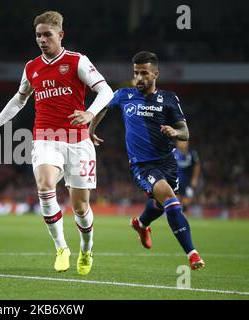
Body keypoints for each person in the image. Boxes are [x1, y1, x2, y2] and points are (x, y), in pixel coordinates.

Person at [0, 11, 113, 275]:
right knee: (45, 185)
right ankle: (61, 247)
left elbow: (106, 90)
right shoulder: (31, 68)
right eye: (38, 35)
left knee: (81, 206)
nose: (41, 39)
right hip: (45, 138)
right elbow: (19, 100)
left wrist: (89, 113)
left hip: (78, 141)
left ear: (60, 35)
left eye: (47, 34)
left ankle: (86, 249)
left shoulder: (77, 62)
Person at [89, 51, 205, 270]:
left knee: (161, 205)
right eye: (136, 73)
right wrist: (91, 129)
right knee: (170, 199)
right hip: (142, 165)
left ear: (155, 74)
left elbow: (185, 133)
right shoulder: (124, 95)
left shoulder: (169, 98)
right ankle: (192, 253)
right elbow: (103, 105)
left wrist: (174, 132)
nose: (139, 78)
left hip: (168, 163)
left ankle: (141, 224)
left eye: (144, 73)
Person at [174, 140, 201, 213]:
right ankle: (178, 216)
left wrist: (195, 179)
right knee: (176, 201)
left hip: (187, 182)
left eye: (185, 142)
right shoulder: (173, 153)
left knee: (186, 202)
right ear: (177, 143)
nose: (183, 144)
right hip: (175, 181)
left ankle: (183, 213)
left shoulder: (192, 153)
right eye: (181, 142)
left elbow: (197, 165)